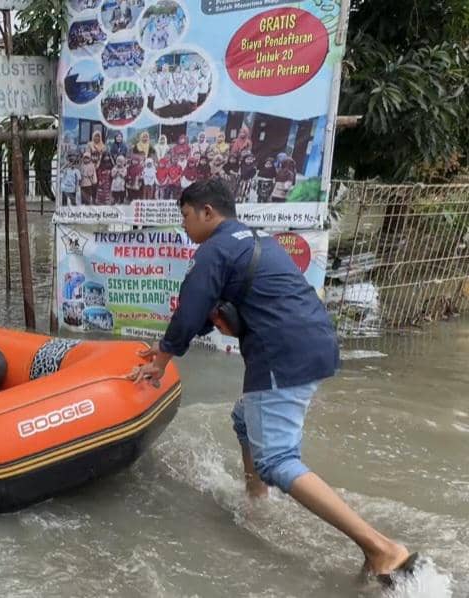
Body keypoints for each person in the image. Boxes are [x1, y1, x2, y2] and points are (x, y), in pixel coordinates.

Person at [130, 179, 419, 586]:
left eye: (186, 216)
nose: (184, 226)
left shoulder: (215, 248)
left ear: (207, 212)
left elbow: (189, 310)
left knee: (278, 460)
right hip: (314, 342)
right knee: (244, 419)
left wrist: (159, 363)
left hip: (281, 354)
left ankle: (382, 549)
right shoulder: (254, 239)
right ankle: (257, 501)